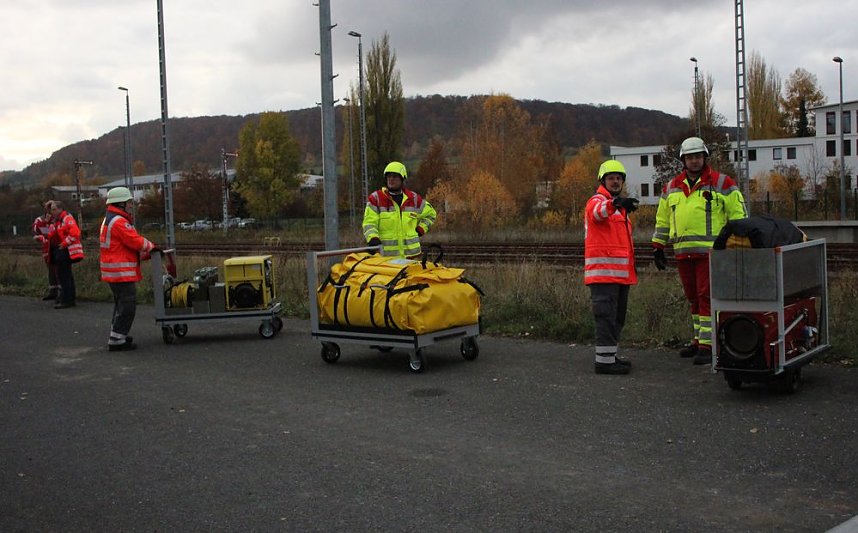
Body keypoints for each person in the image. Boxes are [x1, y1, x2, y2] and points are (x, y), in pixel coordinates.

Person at [651, 137, 747, 365]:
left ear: (705, 157)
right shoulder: (671, 187)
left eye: (698, 156)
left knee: (706, 297)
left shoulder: (722, 183)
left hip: (712, 253)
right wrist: (658, 246)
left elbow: (739, 217)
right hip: (683, 252)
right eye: (690, 157)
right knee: (693, 297)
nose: (694, 161)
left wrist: (733, 243)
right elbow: (663, 220)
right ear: (683, 160)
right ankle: (699, 340)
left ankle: (709, 344)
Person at [585, 160, 639, 375]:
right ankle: (604, 363)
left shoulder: (619, 208)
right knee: (606, 317)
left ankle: (610, 355)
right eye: (611, 178)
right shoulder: (597, 201)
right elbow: (597, 213)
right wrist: (615, 204)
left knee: (617, 318)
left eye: (618, 178)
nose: (615, 181)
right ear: (602, 181)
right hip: (603, 275)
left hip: (620, 276)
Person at [99, 187, 158, 352]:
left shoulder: (110, 219)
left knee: (120, 305)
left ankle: (117, 335)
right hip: (120, 273)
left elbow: (124, 246)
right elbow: (135, 241)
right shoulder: (119, 221)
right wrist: (152, 247)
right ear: (121, 204)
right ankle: (117, 339)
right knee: (127, 305)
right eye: (129, 202)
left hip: (114, 271)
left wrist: (143, 254)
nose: (131, 205)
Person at [362, 161, 437, 258]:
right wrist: (372, 238)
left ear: (402, 179)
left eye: (394, 176)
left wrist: (421, 229)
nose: (391, 179)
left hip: (412, 257)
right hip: (387, 259)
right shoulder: (376, 198)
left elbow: (431, 215)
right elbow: (369, 223)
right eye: (389, 176)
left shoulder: (413, 199)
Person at [49, 200, 84, 309]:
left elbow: (75, 233)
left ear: (60, 209)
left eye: (54, 209)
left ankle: (68, 300)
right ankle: (67, 298)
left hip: (65, 251)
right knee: (64, 276)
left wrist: (64, 243)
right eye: (51, 210)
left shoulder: (66, 218)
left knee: (65, 276)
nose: (52, 212)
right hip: (62, 250)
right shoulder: (58, 220)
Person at [32, 201, 60, 301]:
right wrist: (46, 223)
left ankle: (61, 292)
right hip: (47, 250)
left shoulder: (58, 219)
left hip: (56, 248)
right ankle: (53, 291)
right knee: (51, 271)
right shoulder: (40, 220)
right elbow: (39, 232)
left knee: (58, 270)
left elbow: (55, 232)